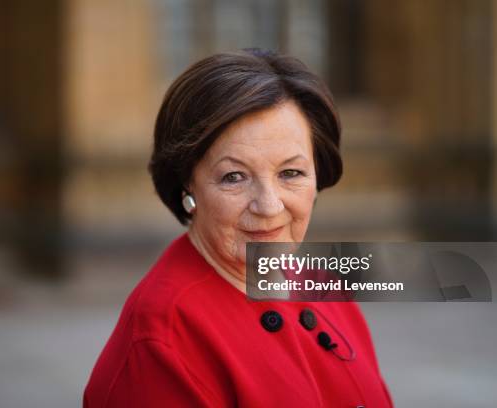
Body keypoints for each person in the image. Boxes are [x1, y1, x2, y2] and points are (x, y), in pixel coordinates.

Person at [83, 49, 393, 407]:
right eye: (234, 177)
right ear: (188, 184)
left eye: (290, 173)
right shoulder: (161, 340)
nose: (269, 206)